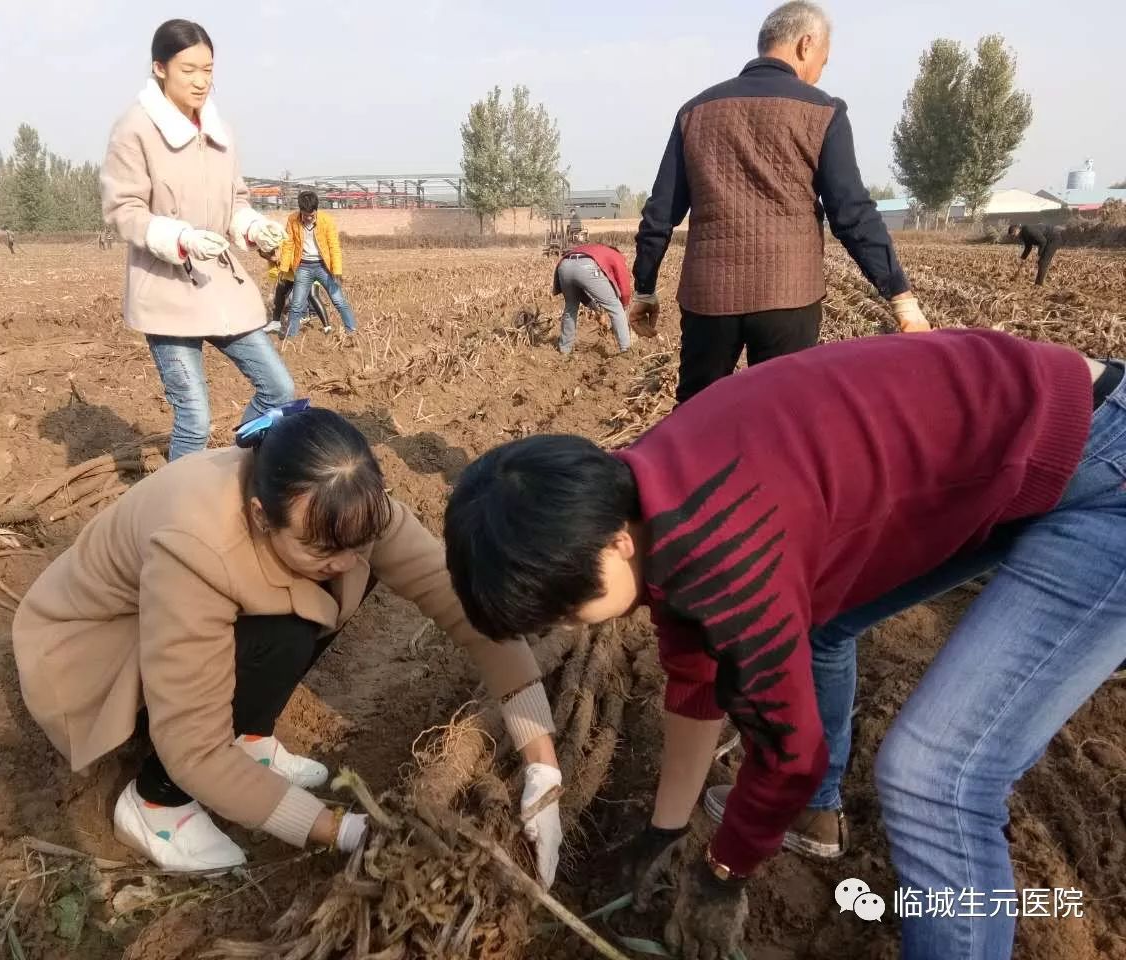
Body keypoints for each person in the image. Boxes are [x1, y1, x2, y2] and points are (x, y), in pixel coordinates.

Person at [443, 330, 1126, 960]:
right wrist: (666, 828)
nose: (568, 626)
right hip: (1018, 444)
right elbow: (697, 673)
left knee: (934, 777)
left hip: (1101, 470)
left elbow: (790, 754)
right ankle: (817, 822)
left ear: (616, 543)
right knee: (819, 630)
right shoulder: (649, 487)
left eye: (566, 608)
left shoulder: (726, 554)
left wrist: (724, 873)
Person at [13, 406, 563, 877]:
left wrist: (543, 766)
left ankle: (248, 738)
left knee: (313, 593)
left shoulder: (349, 511)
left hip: (185, 621)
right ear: (260, 516)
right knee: (281, 620)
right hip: (91, 652)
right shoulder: (196, 547)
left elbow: (467, 610)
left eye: (361, 542)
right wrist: (342, 832)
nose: (347, 561)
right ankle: (156, 802)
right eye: (324, 548)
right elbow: (190, 743)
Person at [629, 1, 930, 404]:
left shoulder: (695, 111)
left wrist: (645, 286)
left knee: (696, 419)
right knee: (784, 418)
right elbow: (852, 213)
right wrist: (899, 295)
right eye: (823, 60)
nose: (820, 72)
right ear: (806, 45)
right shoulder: (823, 111)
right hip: (788, 295)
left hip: (709, 298)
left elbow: (661, 211)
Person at [101, 19, 294, 462]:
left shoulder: (219, 131)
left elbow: (235, 202)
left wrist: (253, 227)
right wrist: (181, 238)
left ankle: (237, 469)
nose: (202, 81)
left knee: (278, 389)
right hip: (167, 291)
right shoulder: (135, 130)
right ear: (159, 68)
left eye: (208, 69)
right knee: (194, 418)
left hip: (220, 285)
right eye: (189, 69)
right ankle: (176, 508)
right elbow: (124, 210)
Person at [280, 191, 358, 339]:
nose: (309, 218)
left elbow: (333, 246)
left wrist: (337, 270)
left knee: (339, 301)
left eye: (311, 215)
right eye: (305, 214)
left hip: (323, 266)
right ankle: (291, 338)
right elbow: (288, 244)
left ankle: (352, 332)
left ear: (316, 210)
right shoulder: (292, 220)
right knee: (296, 305)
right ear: (300, 210)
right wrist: (284, 269)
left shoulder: (326, 221)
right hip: (303, 266)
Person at [552, 242, 633, 355]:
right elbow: (623, 284)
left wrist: (594, 307)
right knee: (615, 307)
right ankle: (626, 351)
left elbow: (580, 291)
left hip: (564, 265)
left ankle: (564, 349)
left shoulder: (594, 249)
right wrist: (624, 304)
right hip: (586, 266)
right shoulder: (615, 255)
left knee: (570, 307)